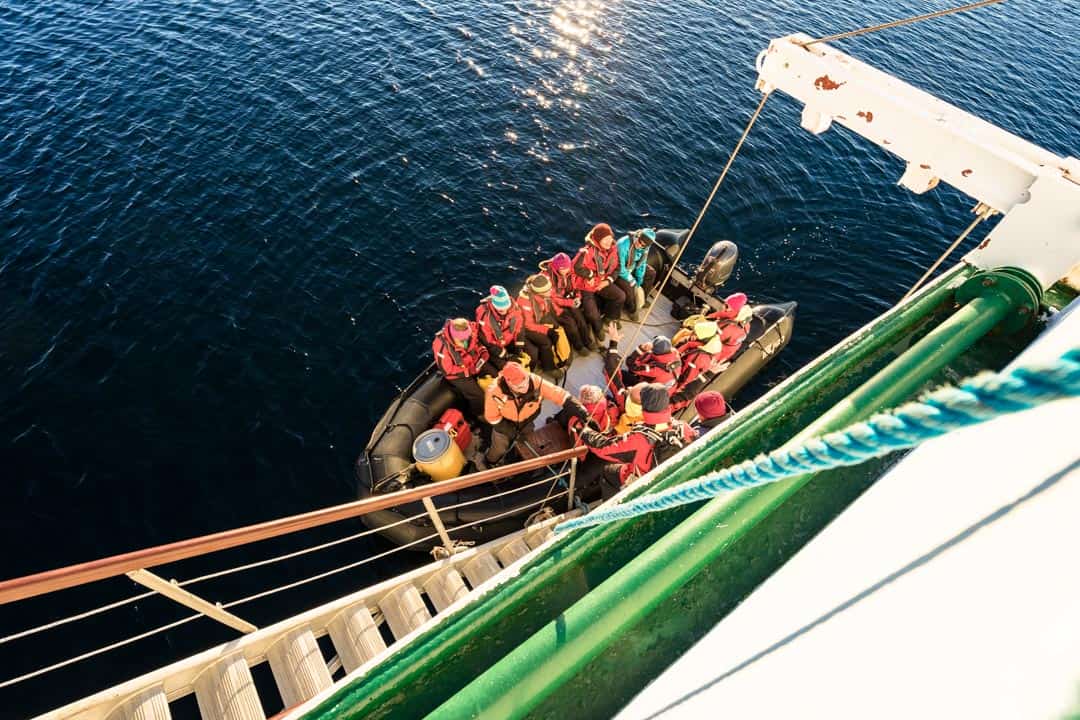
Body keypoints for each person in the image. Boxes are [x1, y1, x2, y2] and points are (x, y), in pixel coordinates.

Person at [579, 383, 697, 497]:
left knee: (608, 471)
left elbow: (603, 447)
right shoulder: (683, 427)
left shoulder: (639, 438)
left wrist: (583, 430)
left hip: (646, 484)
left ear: (643, 408)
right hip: (674, 478)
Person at [483, 361, 588, 465]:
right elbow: (492, 418)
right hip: (505, 426)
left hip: (528, 422)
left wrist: (580, 410)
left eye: (526, 382)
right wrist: (512, 432)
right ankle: (490, 461)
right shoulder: (494, 392)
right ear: (509, 384)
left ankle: (516, 457)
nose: (525, 388)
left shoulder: (535, 381)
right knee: (499, 448)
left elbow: (558, 394)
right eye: (520, 387)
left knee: (527, 443)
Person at [573, 223, 625, 340]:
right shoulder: (587, 251)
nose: (608, 242)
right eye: (604, 239)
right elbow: (576, 267)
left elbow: (617, 267)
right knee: (592, 312)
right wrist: (590, 276)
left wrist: (608, 281)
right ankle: (598, 329)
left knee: (620, 296)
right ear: (597, 239)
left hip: (601, 282)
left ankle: (609, 318)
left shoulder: (613, 248)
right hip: (586, 286)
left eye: (609, 238)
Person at [432, 317, 492, 416]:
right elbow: (447, 370)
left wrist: (483, 351)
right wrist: (468, 371)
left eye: (467, 338)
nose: (466, 341)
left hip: (473, 363)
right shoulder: (441, 347)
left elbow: (477, 342)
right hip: (457, 375)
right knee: (478, 396)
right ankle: (478, 414)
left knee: (494, 374)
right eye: (463, 339)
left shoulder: (470, 330)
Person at [540, 252, 592, 352]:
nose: (565, 270)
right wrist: (570, 303)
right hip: (555, 306)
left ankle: (587, 341)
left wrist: (577, 296)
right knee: (570, 323)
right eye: (562, 268)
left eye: (567, 267)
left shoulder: (571, 271)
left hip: (569, 299)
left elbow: (576, 286)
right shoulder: (547, 277)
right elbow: (552, 297)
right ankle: (579, 346)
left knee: (580, 318)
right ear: (556, 268)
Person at [517, 274, 564, 374]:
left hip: (538, 319)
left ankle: (559, 355)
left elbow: (544, 309)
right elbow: (528, 325)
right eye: (547, 290)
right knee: (545, 342)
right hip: (526, 329)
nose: (550, 291)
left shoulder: (541, 296)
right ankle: (549, 368)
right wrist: (546, 330)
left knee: (558, 328)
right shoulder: (525, 302)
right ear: (540, 292)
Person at [475, 285, 530, 370]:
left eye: (506, 307)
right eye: (500, 309)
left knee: (532, 352)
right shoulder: (484, 315)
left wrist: (518, 348)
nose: (504, 311)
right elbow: (487, 341)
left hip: (509, 341)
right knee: (505, 366)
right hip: (495, 348)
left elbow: (519, 328)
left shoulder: (515, 308)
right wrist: (506, 355)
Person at [615, 228, 658, 318]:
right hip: (619, 271)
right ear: (638, 236)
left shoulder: (645, 247)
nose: (640, 245)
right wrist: (632, 280)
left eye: (643, 245)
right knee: (630, 287)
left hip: (632, 266)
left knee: (651, 273)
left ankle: (642, 299)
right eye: (639, 242)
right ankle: (632, 309)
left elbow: (642, 263)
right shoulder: (622, 245)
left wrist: (639, 278)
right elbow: (620, 267)